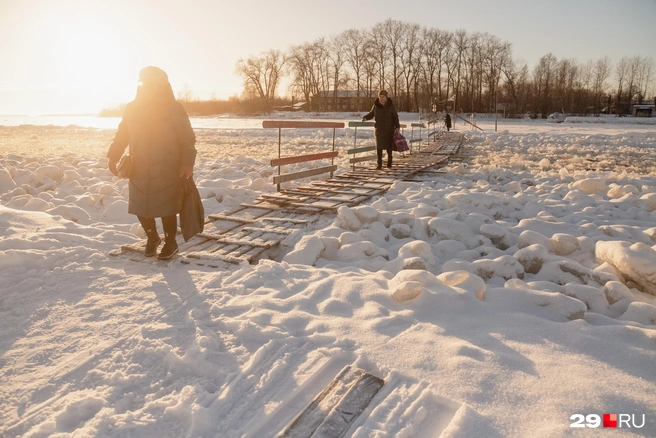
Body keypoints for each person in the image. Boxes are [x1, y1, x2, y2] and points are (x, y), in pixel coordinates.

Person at [107, 66, 197, 260]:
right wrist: (113, 155)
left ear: (162, 86)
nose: (148, 87)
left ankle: (171, 241)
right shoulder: (132, 107)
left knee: (166, 205)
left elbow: (187, 139)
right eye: (144, 83)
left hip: (167, 165)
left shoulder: (174, 108)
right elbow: (123, 134)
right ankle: (152, 237)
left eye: (152, 84)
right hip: (138, 164)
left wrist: (187, 162)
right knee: (141, 204)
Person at [362, 90, 400, 170]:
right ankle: (379, 164)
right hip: (379, 129)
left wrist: (397, 126)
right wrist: (365, 118)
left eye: (383, 97)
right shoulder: (375, 105)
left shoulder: (390, 105)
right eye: (380, 97)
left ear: (386, 97)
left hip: (389, 129)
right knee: (379, 147)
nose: (381, 98)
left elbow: (395, 116)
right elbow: (371, 114)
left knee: (388, 147)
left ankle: (389, 162)